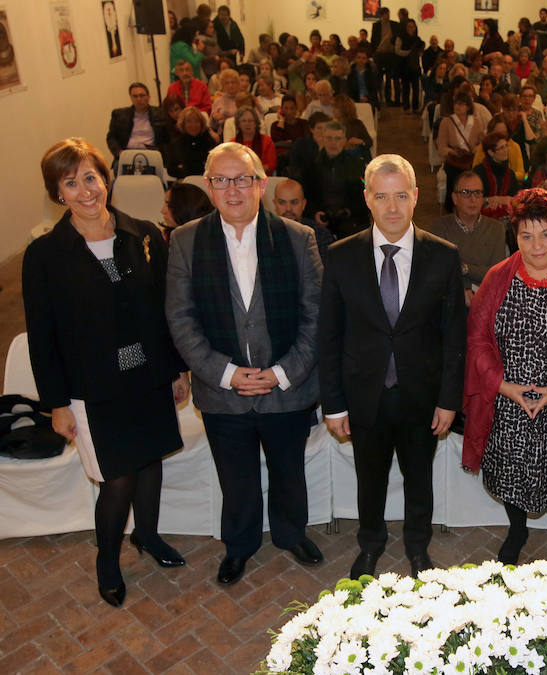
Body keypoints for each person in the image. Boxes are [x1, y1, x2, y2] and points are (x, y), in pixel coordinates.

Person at [24, 138, 189, 607]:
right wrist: (56, 403)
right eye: (70, 183)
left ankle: (150, 537)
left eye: (90, 177)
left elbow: (163, 311)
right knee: (118, 478)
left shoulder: (144, 235)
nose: (84, 190)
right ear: (58, 194)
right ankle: (108, 560)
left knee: (152, 460)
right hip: (94, 388)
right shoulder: (45, 256)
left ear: (106, 178)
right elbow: (43, 337)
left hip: (150, 375)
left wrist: (177, 369)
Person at [166, 143, 325, 586]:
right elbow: (180, 318)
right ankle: (239, 545)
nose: (232, 189)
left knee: (289, 471)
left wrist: (280, 373)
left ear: (260, 183)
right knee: (234, 479)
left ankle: (291, 533)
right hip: (222, 392)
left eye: (242, 179)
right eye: (221, 180)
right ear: (209, 186)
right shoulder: (185, 240)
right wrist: (226, 373)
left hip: (286, 388)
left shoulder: (297, 238)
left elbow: (316, 315)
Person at [318, 154, 467, 580]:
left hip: (421, 396)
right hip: (365, 395)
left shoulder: (442, 256)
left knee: (420, 478)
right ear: (367, 198)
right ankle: (370, 545)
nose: (392, 207)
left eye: (401, 195)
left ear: (416, 196)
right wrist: (334, 404)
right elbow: (328, 337)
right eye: (382, 197)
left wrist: (448, 399)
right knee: (370, 479)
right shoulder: (341, 256)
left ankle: (418, 547)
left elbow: (454, 336)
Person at [462, 188, 547, 566]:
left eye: (545, 234)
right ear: (515, 236)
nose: (536, 245)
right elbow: (477, 341)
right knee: (510, 472)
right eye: (526, 235)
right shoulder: (496, 279)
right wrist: (507, 388)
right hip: (508, 400)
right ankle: (518, 529)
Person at [429, 171, 506, 305]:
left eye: (477, 193)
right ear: (454, 198)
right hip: (450, 299)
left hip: (488, 299)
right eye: (465, 193)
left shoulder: (496, 229)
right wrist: (463, 288)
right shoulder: (439, 228)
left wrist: (464, 267)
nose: (473, 199)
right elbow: (440, 272)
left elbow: (497, 274)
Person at [305, 121, 369, 239]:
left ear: (345, 140)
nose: (333, 143)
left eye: (338, 139)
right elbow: (305, 195)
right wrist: (314, 213)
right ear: (323, 139)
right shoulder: (310, 165)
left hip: (350, 218)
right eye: (329, 138)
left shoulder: (357, 165)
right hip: (319, 217)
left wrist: (349, 211)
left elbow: (365, 193)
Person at [437, 93, 486, 211]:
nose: (458, 107)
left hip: (471, 160)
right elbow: (441, 146)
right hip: (454, 161)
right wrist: (453, 152)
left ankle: (473, 205)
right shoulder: (447, 122)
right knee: (453, 178)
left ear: (468, 106)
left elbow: (483, 142)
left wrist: (476, 149)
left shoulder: (476, 122)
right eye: (456, 104)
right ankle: (451, 208)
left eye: (462, 104)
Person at [272, 179, 336, 266]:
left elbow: (328, 274)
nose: (288, 208)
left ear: (303, 204)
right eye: (282, 202)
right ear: (275, 204)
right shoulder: (265, 234)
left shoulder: (320, 234)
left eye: (294, 202)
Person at [106, 83, 170, 165]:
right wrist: (119, 152)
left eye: (142, 95)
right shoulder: (119, 115)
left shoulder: (160, 114)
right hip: (127, 155)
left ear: (148, 97)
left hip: (152, 155)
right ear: (131, 98)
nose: (139, 99)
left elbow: (167, 138)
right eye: (135, 96)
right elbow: (111, 137)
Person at [473, 131, 521, 222]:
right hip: (482, 219)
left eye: (507, 146)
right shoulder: (479, 172)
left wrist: (505, 200)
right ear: (491, 152)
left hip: (506, 218)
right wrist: (490, 200)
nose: (507, 150)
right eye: (502, 148)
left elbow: (517, 198)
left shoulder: (510, 173)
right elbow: (472, 199)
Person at [166, 106, 219, 178]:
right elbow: (171, 170)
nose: (193, 125)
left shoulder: (209, 141)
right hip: (185, 183)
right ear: (183, 124)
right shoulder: (176, 144)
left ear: (201, 123)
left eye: (197, 121)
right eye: (189, 121)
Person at [230, 106, 277, 175]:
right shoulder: (232, 144)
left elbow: (271, 165)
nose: (247, 124)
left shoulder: (266, 141)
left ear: (255, 123)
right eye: (243, 121)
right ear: (238, 124)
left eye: (250, 121)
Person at [372, 7, 401, 105]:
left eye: (388, 14)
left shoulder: (394, 25)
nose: (387, 16)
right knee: (378, 77)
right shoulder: (376, 26)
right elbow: (374, 40)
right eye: (385, 14)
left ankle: (389, 99)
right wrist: (374, 53)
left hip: (390, 54)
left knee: (389, 78)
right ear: (381, 15)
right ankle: (379, 98)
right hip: (380, 54)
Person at [332, 94, 374, 160]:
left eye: (336, 108)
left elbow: (369, 142)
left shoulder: (357, 124)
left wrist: (360, 141)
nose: (333, 110)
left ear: (344, 109)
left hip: (354, 156)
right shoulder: (332, 124)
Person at [394, 18, 424, 112]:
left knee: (416, 88)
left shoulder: (417, 39)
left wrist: (419, 52)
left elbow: (421, 49)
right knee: (406, 88)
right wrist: (408, 53)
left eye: (413, 27)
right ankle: (406, 107)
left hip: (414, 66)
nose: (411, 28)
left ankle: (415, 107)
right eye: (409, 27)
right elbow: (397, 50)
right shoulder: (400, 37)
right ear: (406, 27)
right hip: (404, 66)